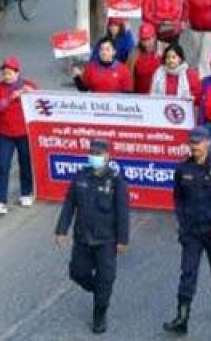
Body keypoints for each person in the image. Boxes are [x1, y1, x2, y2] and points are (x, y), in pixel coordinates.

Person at [164, 127, 211, 334]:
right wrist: (182, 222)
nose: (194, 147)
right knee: (187, 272)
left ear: (207, 143)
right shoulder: (183, 169)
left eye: (197, 143)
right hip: (191, 231)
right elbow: (178, 198)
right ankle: (182, 317)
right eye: (191, 143)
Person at [54, 138, 130, 334]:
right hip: (83, 238)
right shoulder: (81, 177)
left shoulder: (116, 182)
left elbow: (123, 212)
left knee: (106, 277)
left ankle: (99, 313)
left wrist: (123, 240)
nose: (94, 157)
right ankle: (100, 292)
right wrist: (62, 230)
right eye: (92, 153)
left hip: (106, 240)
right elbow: (69, 204)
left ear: (107, 156)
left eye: (98, 154)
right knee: (77, 273)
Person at [0, 56, 37, 215]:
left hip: (24, 133)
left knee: (25, 163)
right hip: (5, 134)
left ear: (17, 73)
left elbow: (40, 104)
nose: (6, 76)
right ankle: (0, 200)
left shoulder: (29, 85)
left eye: (9, 73)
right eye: (4, 73)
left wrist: (32, 94)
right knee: (3, 166)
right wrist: (11, 97)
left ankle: (26, 193)